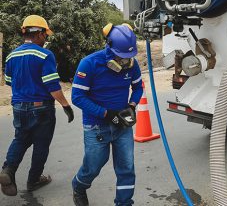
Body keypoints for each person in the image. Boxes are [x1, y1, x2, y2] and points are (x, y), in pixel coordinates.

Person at [0, 15, 74, 196]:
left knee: (20, 138)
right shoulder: (45, 55)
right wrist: (66, 106)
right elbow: (53, 87)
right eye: (45, 34)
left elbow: (9, 81)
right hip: (41, 107)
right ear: (39, 33)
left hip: (18, 106)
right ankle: (33, 180)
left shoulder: (11, 55)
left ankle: (8, 170)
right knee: (41, 144)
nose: (46, 38)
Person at [71, 23, 143, 206]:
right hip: (97, 126)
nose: (125, 61)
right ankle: (78, 187)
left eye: (128, 56)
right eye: (121, 57)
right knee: (93, 167)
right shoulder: (89, 63)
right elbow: (77, 97)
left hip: (122, 125)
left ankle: (124, 203)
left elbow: (137, 88)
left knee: (126, 168)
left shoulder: (132, 65)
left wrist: (132, 105)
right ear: (109, 46)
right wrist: (105, 113)